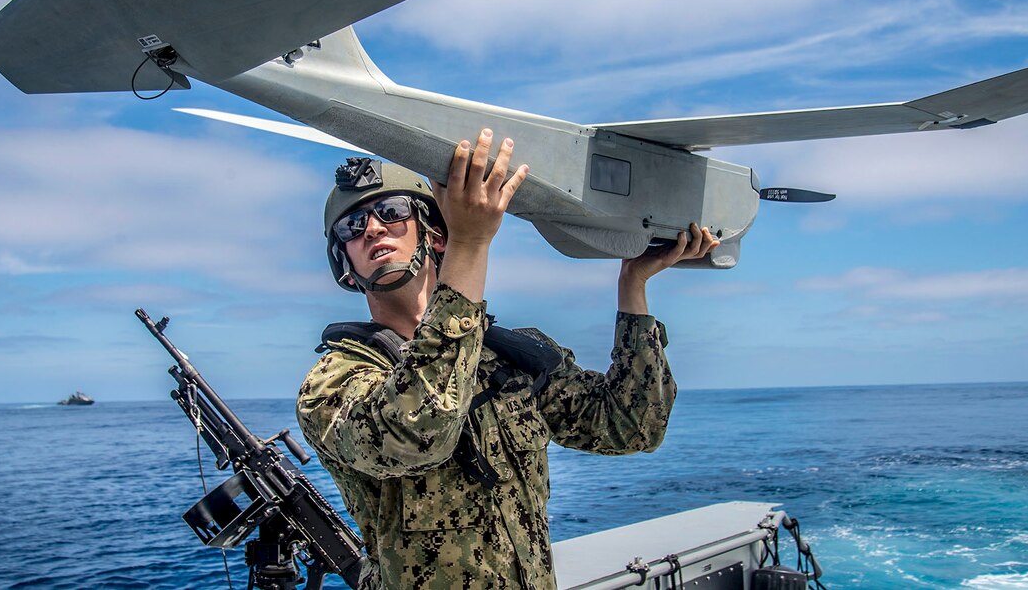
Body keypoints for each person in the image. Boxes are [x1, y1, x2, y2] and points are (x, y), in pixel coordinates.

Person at [297, 130, 720, 589]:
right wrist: (471, 245)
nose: (373, 229)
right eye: (351, 227)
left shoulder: (510, 359)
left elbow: (631, 426)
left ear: (434, 236)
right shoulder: (333, 383)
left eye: (392, 213)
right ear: (345, 264)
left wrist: (633, 284)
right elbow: (417, 431)